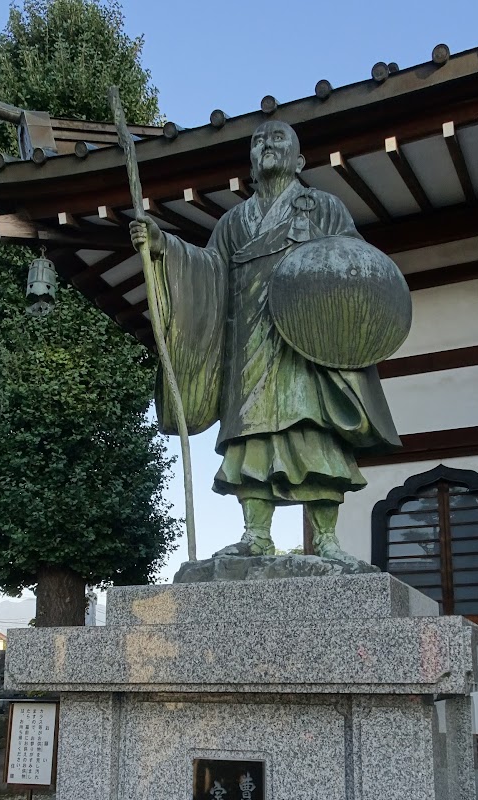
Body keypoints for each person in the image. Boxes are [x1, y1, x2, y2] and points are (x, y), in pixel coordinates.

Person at [130, 119, 402, 565]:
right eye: (258, 141)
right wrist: (163, 245)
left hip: (306, 343)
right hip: (250, 341)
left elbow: (355, 264)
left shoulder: (323, 208)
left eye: (278, 140)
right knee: (251, 439)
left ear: (298, 160)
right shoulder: (235, 221)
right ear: (251, 162)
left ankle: (327, 539)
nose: (266, 145)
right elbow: (209, 269)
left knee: (315, 435)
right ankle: (256, 535)